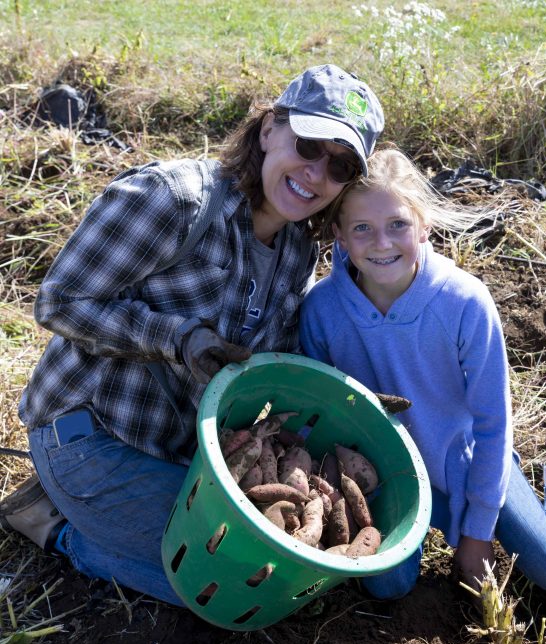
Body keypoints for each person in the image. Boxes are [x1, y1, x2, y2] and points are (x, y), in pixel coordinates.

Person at [0, 64, 384, 606]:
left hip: (179, 451)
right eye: (308, 144)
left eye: (340, 165)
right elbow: (59, 303)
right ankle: (52, 526)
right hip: (89, 438)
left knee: (266, 574)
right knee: (218, 592)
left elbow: (274, 358)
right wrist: (175, 337)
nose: (316, 172)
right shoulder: (174, 200)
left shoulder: (297, 251)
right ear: (270, 129)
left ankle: (119, 513)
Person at [299, 147, 546, 599]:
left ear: (423, 226)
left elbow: (492, 423)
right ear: (340, 236)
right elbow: (324, 409)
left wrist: (478, 533)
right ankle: (417, 523)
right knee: (387, 587)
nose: (382, 243)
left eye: (398, 225)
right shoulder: (322, 309)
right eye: (362, 228)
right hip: (389, 471)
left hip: (464, 461)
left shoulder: (463, 302)